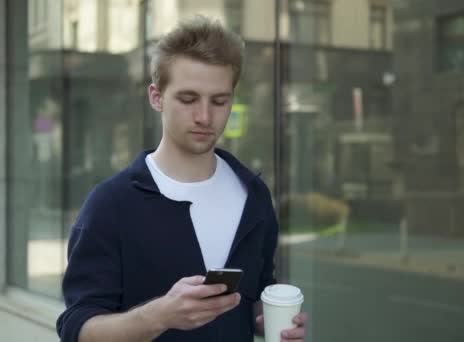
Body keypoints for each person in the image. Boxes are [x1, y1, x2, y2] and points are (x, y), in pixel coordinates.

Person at [56, 16, 308, 342]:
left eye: (219, 101)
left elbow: (256, 294)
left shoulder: (254, 195)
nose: (205, 116)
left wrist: (269, 320)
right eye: (188, 99)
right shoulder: (111, 204)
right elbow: (76, 330)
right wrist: (159, 315)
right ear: (156, 97)